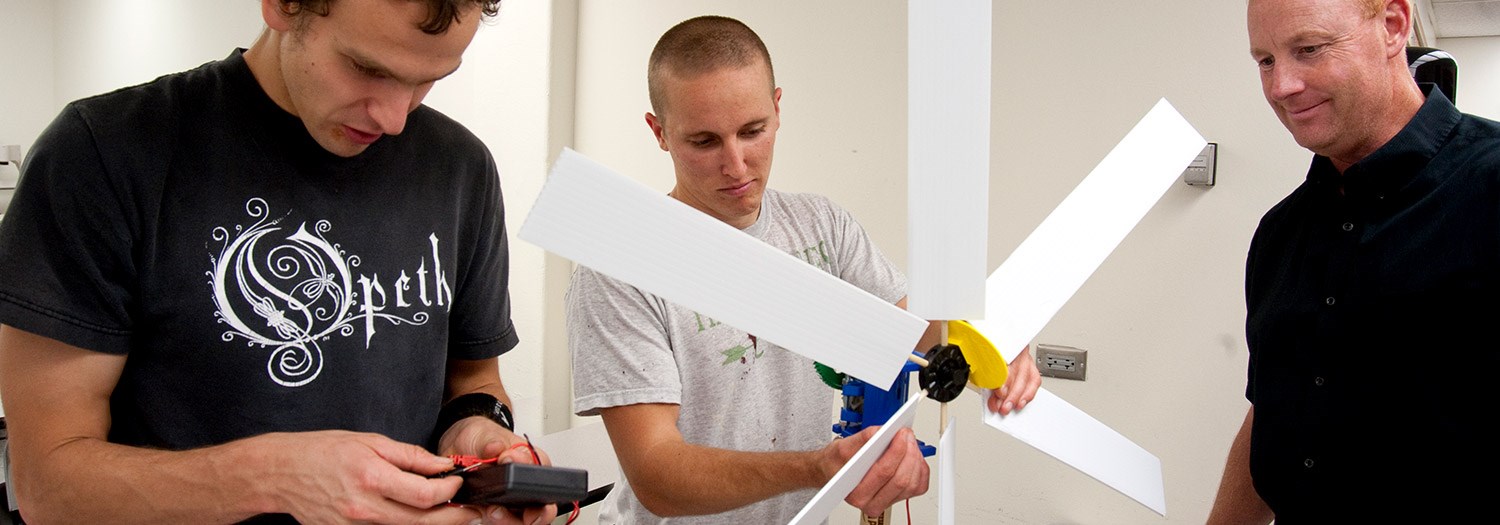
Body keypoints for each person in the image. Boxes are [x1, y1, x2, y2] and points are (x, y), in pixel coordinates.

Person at [0, 1, 557, 523]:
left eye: (428, 80)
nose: (393, 119)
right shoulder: (102, 154)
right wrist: (268, 479)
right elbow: (46, 485)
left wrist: (478, 429)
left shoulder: (461, 169)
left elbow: (474, 378)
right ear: (282, 5)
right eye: (368, 69)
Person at [566, 15, 1042, 523]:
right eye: (704, 142)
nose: (737, 164)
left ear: (777, 107)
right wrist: (816, 467)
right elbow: (658, 476)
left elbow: (921, 338)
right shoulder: (618, 268)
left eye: (753, 131)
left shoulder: (822, 227)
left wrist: (997, 350)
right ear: (659, 132)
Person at [1208, 0, 1500, 522]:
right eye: (1266, 60)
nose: (1282, 86)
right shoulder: (1279, 233)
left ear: (1392, 25)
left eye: (1309, 49)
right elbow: (1271, 409)